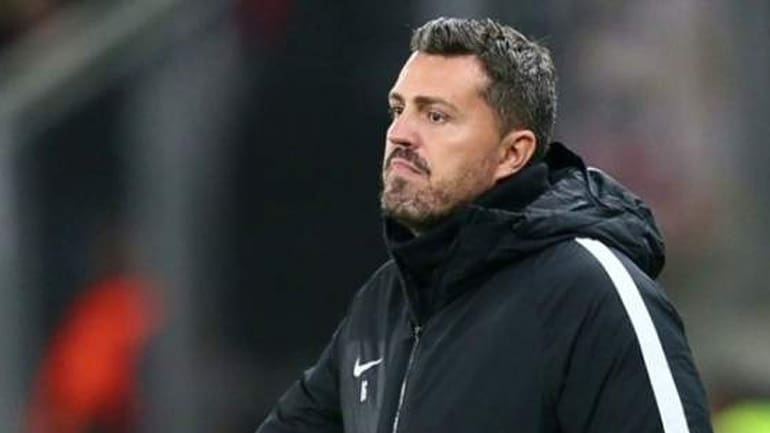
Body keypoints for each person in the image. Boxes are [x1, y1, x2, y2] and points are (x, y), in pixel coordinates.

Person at [255, 17, 713, 433]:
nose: (400, 133)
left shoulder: (590, 292)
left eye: (436, 116)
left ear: (512, 153)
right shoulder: (384, 303)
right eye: (399, 109)